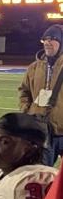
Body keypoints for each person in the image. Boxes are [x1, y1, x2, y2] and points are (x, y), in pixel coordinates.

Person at [18, 24, 63, 163]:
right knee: (41, 175)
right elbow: (24, 91)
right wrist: (28, 110)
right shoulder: (34, 67)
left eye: (53, 38)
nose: (48, 42)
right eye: (45, 39)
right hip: (42, 131)